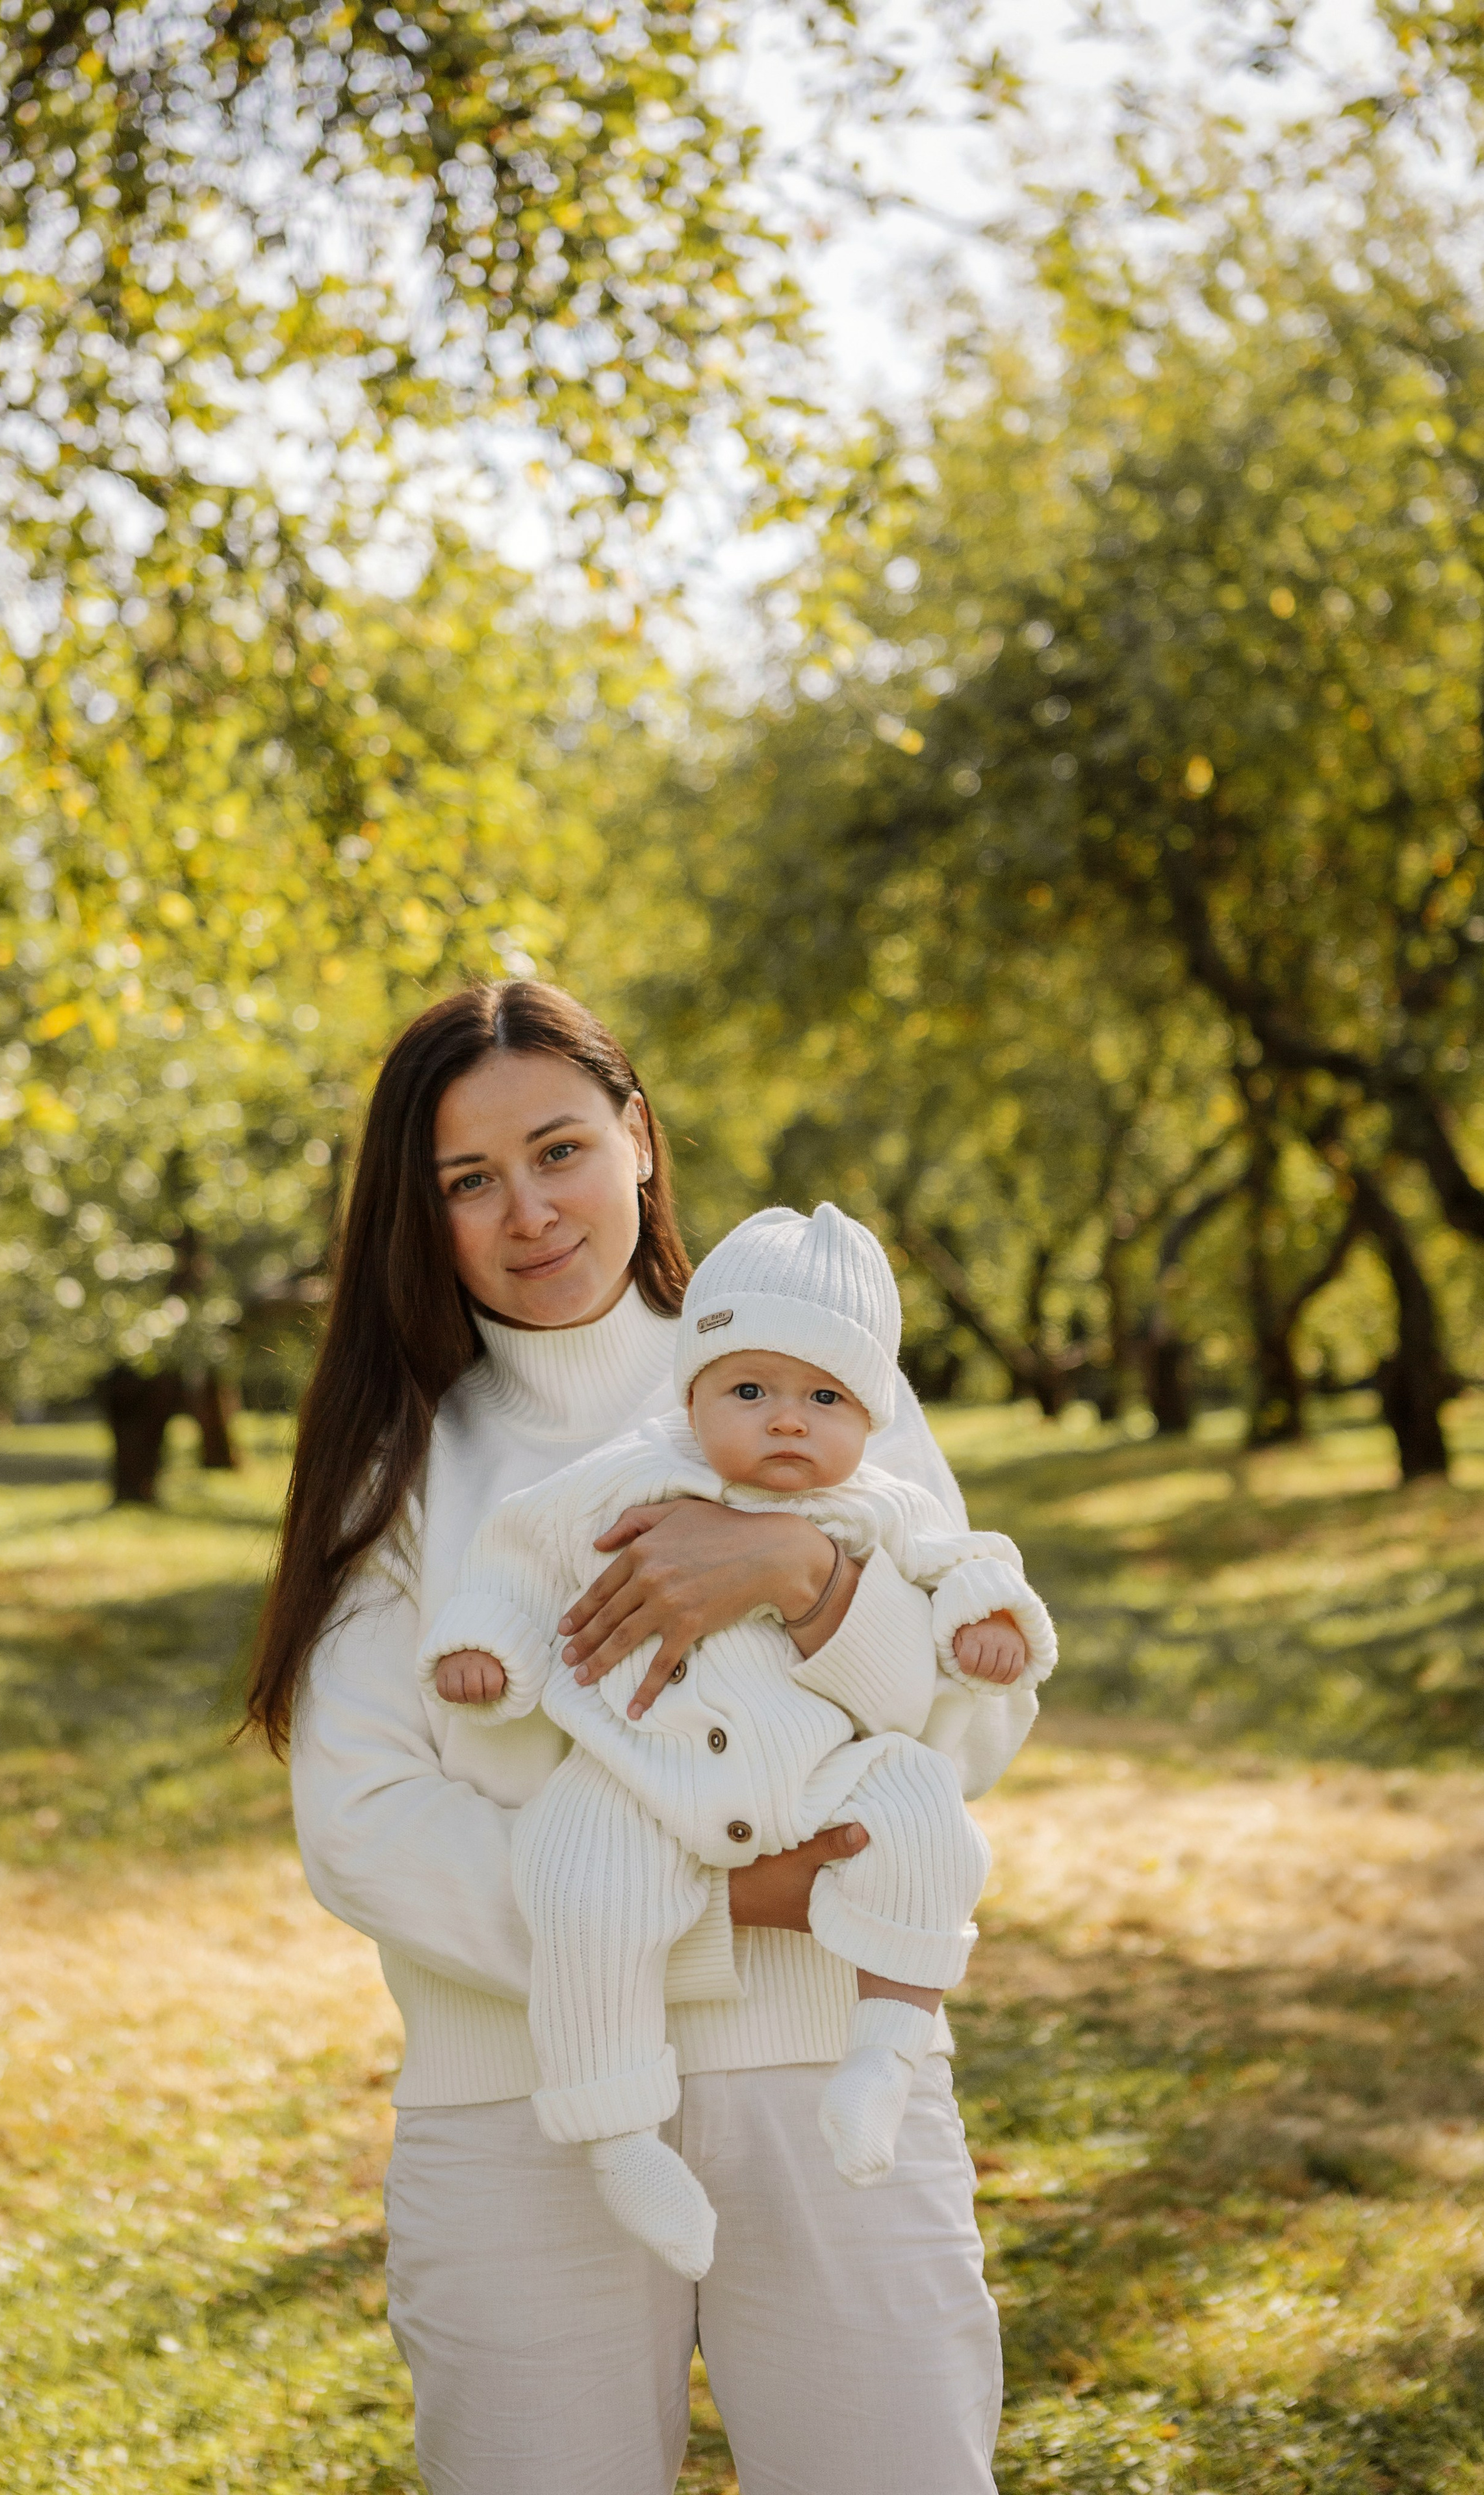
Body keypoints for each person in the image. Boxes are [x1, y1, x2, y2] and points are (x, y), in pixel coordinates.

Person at [246, 980, 1042, 2495]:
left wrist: (802, 1578)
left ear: (639, 1140)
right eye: (466, 1183)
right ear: (424, 1220)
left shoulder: (808, 1380)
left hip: (826, 2086)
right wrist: (711, 1910)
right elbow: (365, 1827)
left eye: (557, 1151)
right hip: (513, 2109)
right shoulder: (400, 1458)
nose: (527, 1212)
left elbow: (976, 1711)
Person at [421, 1201, 1056, 2281]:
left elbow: (968, 1558)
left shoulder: (879, 1501)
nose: (788, 1422)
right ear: (694, 1393)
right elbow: (520, 1558)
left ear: (872, 1412)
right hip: (638, 1776)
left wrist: (987, 1622)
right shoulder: (630, 1475)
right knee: (577, 1881)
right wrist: (486, 1643)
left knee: (921, 1816)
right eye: (749, 1391)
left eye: (825, 1398)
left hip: (819, 1775)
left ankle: (887, 2051)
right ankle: (620, 2132)